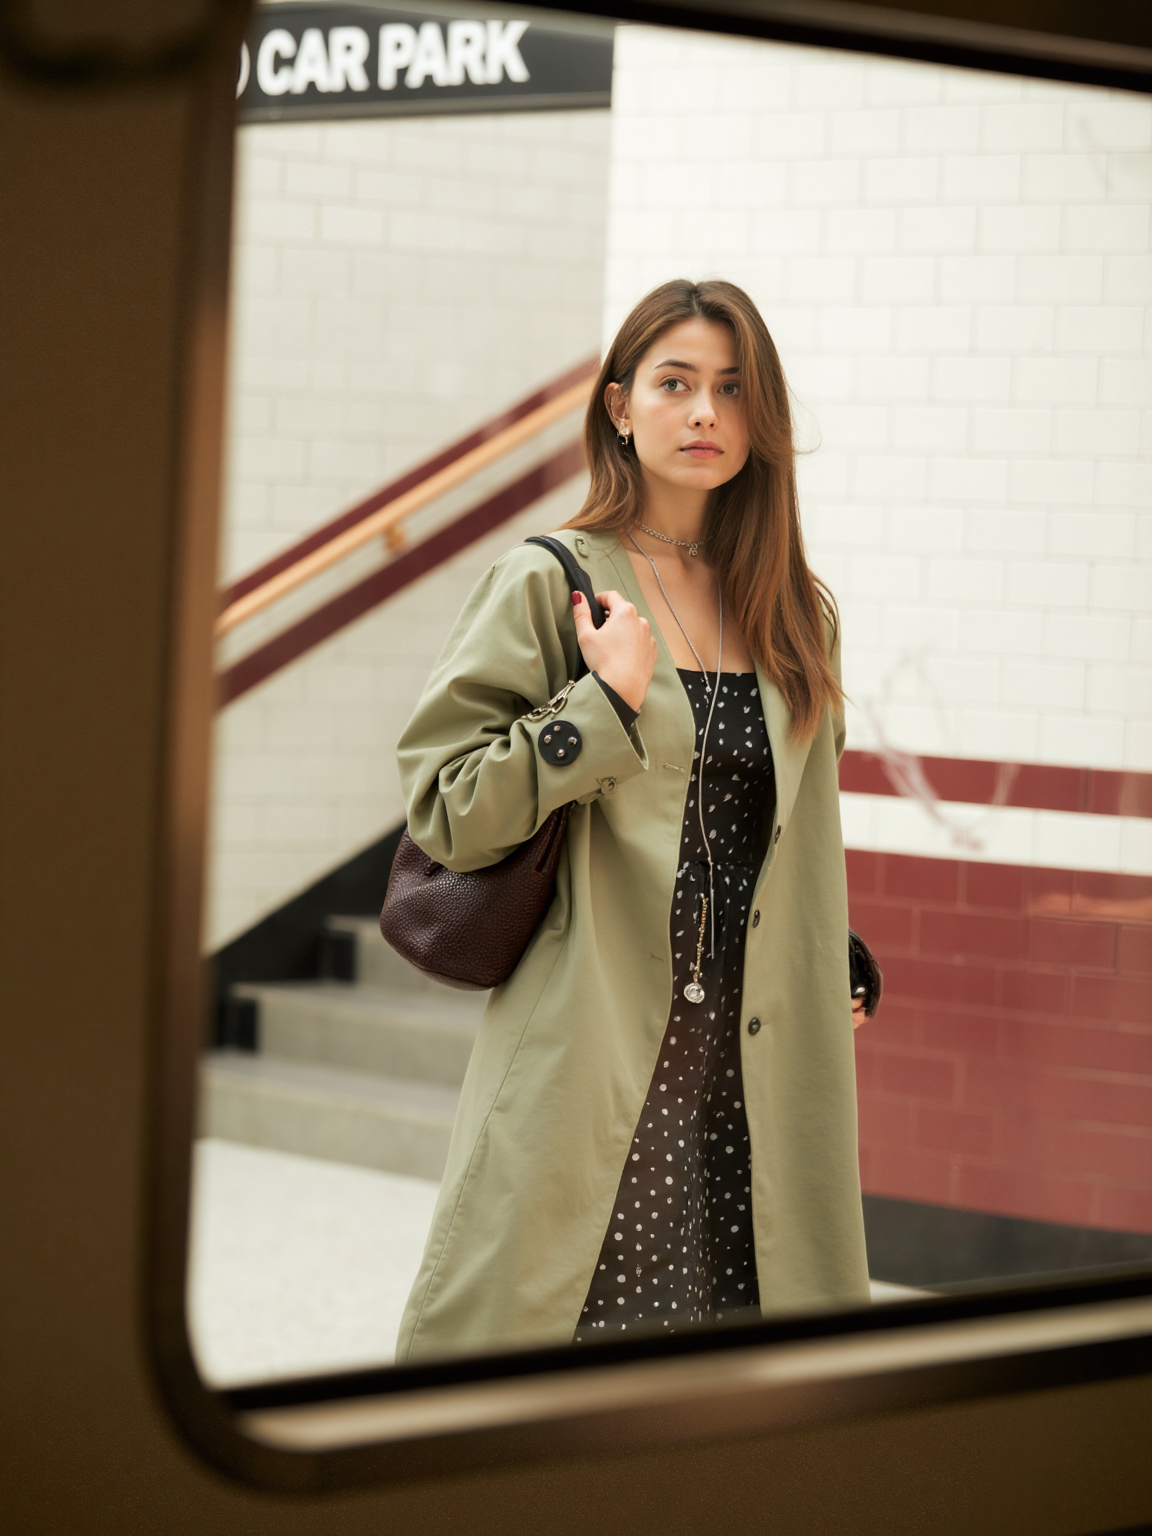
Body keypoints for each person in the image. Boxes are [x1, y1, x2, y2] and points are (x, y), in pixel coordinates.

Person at [394, 279, 869, 1364]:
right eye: (675, 384)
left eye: (733, 390)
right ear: (620, 406)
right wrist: (598, 706)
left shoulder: (797, 610)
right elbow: (448, 810)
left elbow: (787, 832)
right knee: (546, 1370)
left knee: (741, 1377)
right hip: (598, 1047)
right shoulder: (550, 582)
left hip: (754, 1066)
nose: (706, 413)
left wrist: (828, 949)